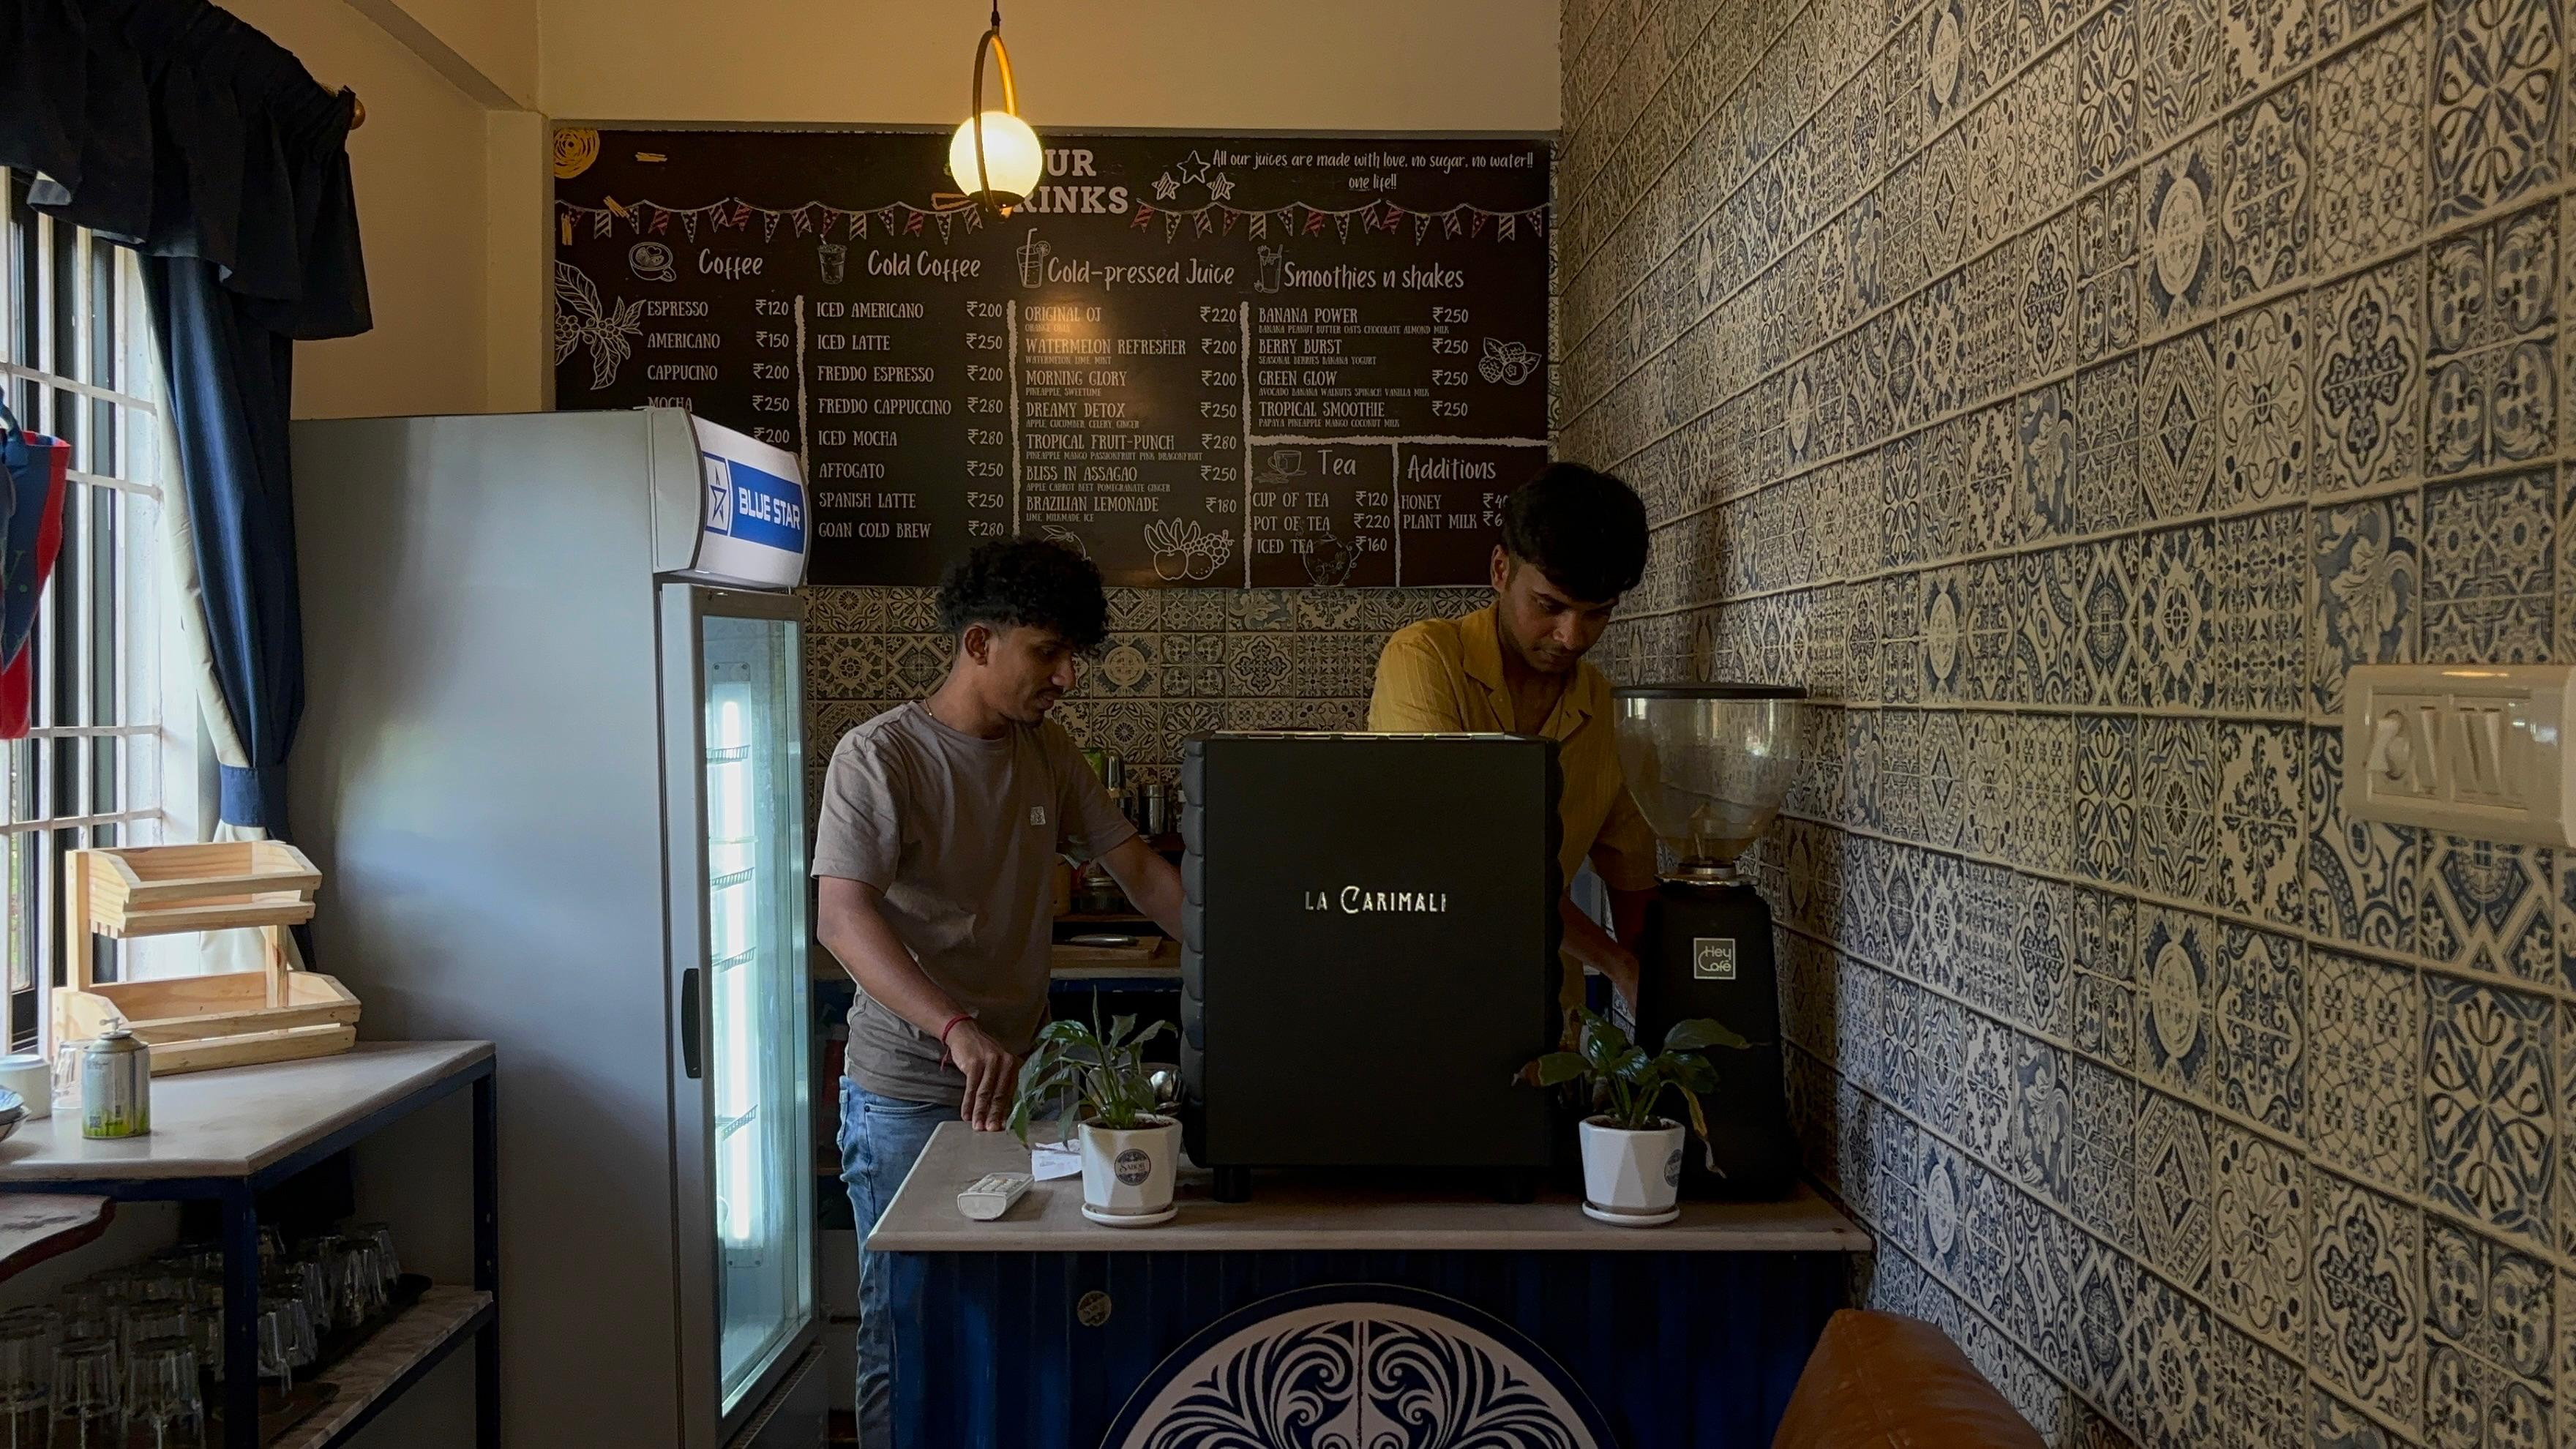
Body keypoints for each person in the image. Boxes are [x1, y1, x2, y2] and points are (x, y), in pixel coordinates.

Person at [813, 537, 1185, 1449]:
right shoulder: (880, 756)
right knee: (909, 1323)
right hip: (908, 1092)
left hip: (1023, 1092)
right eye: (1048, 653)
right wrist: (953, 1026)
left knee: (1026, 1306)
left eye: (1072, 656)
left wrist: (1251, 958)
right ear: (979, 643)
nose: (1067, 679)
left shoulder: (1046, 750)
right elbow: (842, 918)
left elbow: (1137, 868)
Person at [1366, 461, 1658, 1017]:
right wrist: (1618, 965)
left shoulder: (1607, 712)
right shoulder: (1424, 658)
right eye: (1550, 606)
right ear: (1501, 569)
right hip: (1417, 1001)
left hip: (1549, 1017)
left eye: (1597, 614)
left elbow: (1634, 886)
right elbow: (1465, 854)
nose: (1571, 636)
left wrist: (1664, 1000)